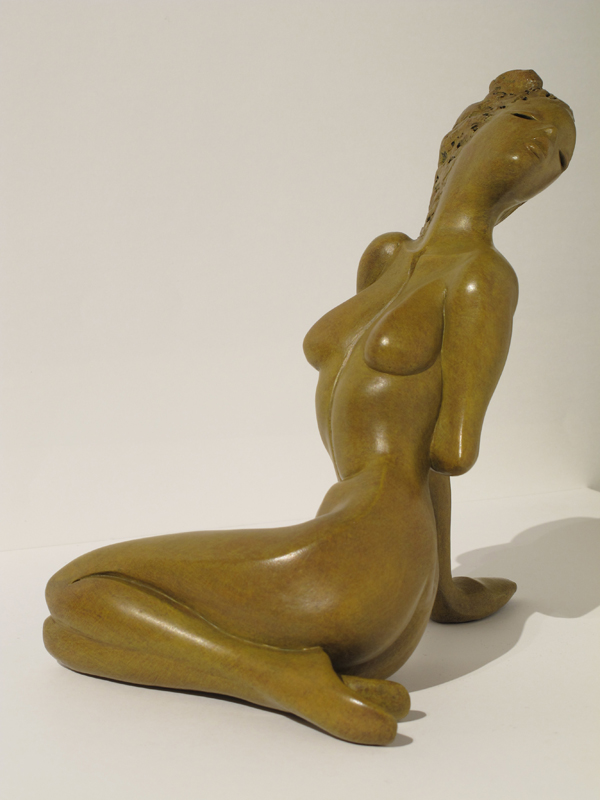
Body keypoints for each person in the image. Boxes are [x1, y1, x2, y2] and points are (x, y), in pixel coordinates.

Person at [43, 70, 576, 746]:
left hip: (360, 560)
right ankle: (282, 672)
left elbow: (450, 450)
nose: (542, 155)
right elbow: (423, 456)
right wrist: (439, 593)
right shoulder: (390, 257)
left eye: (560, 157)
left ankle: (280, 679)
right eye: (531, 127)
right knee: (68, 633)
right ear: (466, 133)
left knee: (75, 589)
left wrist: (435, 585)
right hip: (365, 556)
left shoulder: (482, 277)